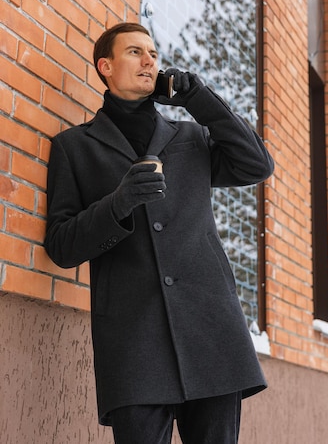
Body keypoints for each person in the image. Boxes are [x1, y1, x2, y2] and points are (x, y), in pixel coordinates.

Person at [44, 22, 274, 444]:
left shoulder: (190, 135)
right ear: (106, 66)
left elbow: (255, 165)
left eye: (152, 52)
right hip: (134, 342)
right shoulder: (74, 147)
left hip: (210, 330)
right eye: (135, 52)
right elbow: (61, 246)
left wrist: (198, 99)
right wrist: (119, 203)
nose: (149, 59)